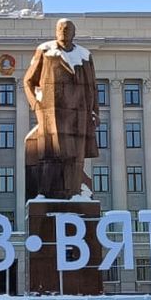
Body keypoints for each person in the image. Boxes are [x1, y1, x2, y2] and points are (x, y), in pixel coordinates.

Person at [22, 18, 100, 199]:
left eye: (67, 29)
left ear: (74, 33)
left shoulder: (84, 55)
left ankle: (75, 192)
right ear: (56, 31)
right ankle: (48, 193)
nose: (63, 31)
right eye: (60, 29)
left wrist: (94, 112)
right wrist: (36, 105)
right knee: (52, 154)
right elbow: (28, 81)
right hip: (52, 112)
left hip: (79, 114)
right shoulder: (45, 51)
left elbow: (92, 87)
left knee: (76, 155)